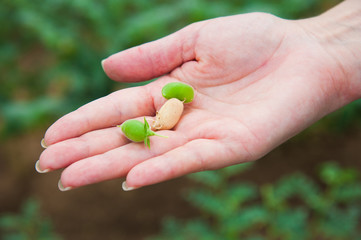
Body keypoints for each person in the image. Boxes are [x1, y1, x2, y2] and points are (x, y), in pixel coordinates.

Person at [36, 0, 361, 191]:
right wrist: (330, 42)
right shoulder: (170, 108)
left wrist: (329, 44)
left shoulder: (174, 104)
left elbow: (169, 111)